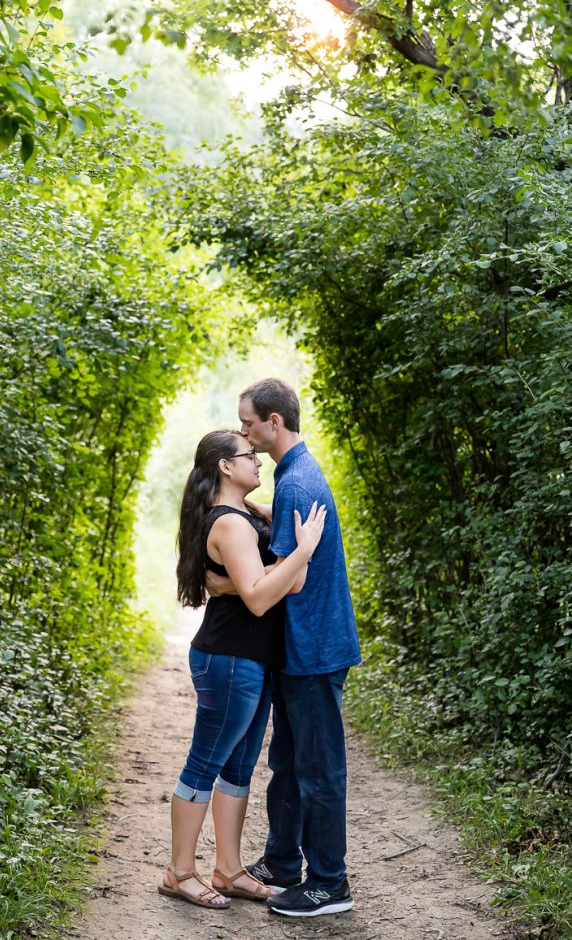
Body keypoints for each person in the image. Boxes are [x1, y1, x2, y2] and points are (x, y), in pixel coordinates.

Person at [158, 429, 326, 910]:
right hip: (228, 659)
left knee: (237, 767)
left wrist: (285, 553)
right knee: (205, 763)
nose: (257, 460)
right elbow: (257, 598)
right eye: (247, 455)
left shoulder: (247, 515)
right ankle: (179, 872)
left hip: (250, 659)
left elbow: (287, 587)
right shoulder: (229, 524)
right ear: (225, 467)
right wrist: (303, 549)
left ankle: (228, 871)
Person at [237, 378, 362, 917]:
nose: (242, 431)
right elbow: (291, 541)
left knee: (318, 768)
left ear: (273, 423)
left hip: (315, 651)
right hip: (299, 649)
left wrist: (231, 582)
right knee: (287, 761)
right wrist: (262, 516)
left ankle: (330, 884)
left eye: (248, 422)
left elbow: (292, 580)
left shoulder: (298, 482)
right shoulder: (291, 476)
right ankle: (284, 862)